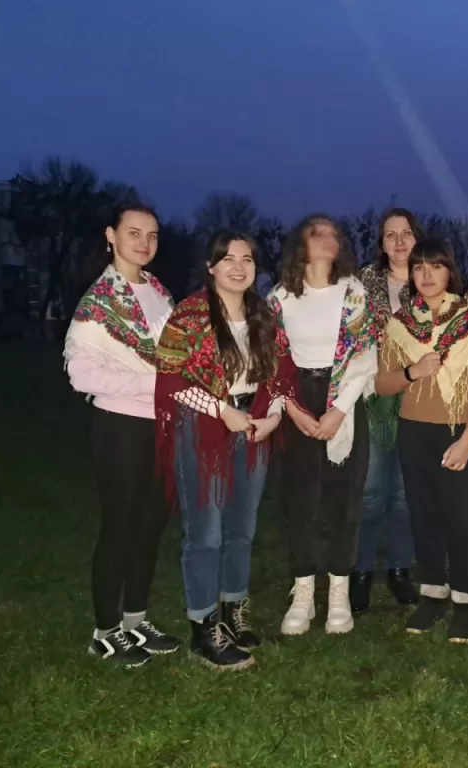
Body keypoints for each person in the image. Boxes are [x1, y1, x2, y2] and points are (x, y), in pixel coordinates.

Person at [155, 231, 297, 670]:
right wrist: (221, 410)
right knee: (207, 531)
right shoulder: (190, 315)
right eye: (228, 259)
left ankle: (234, 609)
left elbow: (281, 372)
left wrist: (273, 416)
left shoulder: (264, 314)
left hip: (253, 424)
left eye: (247, 259)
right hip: (203, 427)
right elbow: (171, 377)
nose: (238, 267)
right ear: (211, 267)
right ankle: (204, 628)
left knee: (242, 527)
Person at [65, 203, 177, 667]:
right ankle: (105, 631)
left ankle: (135, 620)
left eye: (152, 235)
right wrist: (154, 384)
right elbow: (80, 373)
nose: (144, 243)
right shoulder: (99, 302)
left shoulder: (158, 291)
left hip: (162, 425)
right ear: (111, 235)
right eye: (134, 233)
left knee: (151, 525)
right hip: (121, 426)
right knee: (120, 526)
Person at [376, 237, 468, 643]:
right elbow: (382, 384)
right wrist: (413, 371)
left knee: (459, 517)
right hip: (414, 431)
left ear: (450, 272)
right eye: (418, 267)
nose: (426, 275)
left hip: (458, 429)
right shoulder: (399, 324)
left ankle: (466, 600)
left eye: (435, 266)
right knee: (423, 515)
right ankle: (432, 594)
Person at [268, 214, 377, 636]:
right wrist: (292, 409)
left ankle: (338, 595)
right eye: (318, 233)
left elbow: (365, 356)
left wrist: (339, 410)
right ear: (301, 243)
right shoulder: (280, 297)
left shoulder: (354, 293)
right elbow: (272, 360)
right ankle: (303, 594)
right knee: (301, 503)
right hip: (297, 401)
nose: (328, 239)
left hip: (345, 403)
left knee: (344, 503)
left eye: (334, 234)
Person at [350, 209, 424, 613]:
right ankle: (360, 571)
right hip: (372, 396)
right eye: (390, 234)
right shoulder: (362, 284)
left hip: (419, 398)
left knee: (405, 495)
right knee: (371, 491)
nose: (399, 241)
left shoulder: (431, 279)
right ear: (381, 242)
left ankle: (399, 569)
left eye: (406, 233)